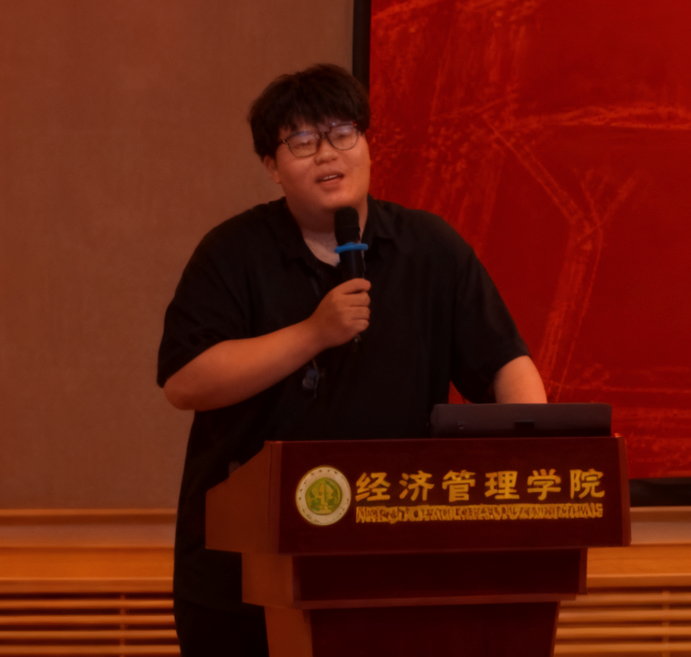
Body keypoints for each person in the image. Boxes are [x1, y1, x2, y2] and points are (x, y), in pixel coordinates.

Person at [157, 64, 546, 656]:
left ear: (367, 143)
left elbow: (504, 365)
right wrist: (314, 333)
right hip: (241, 581)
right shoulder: (232, 253)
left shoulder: (429, 248)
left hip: (394, 572)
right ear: (272, 166)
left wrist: (535, 461)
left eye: (342, 133)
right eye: (301, 141)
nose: (326, 154)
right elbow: (185, 381)